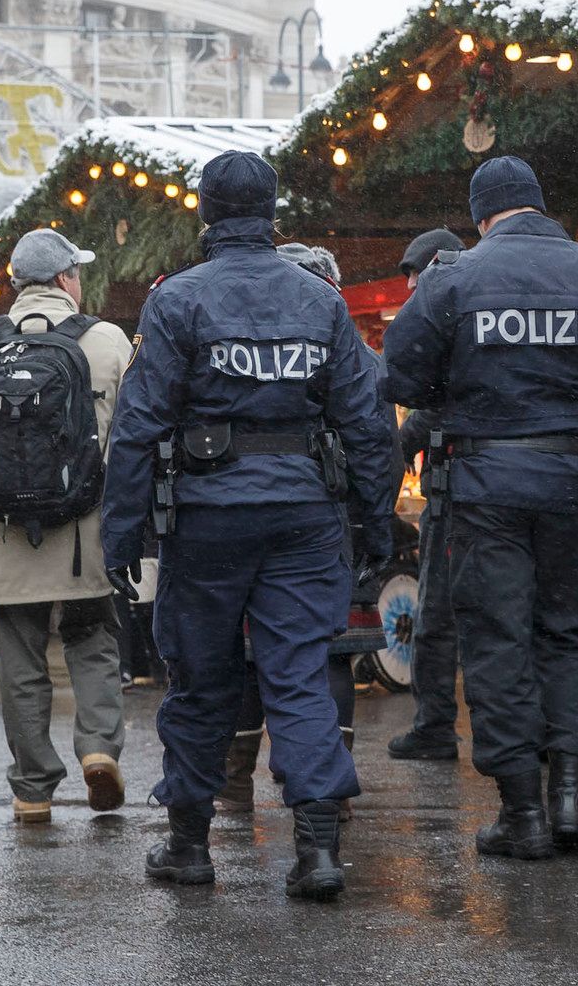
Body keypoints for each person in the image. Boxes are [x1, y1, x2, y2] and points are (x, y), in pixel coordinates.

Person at [103, 150, 396, 901]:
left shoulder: (177, 300)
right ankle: (319, 849)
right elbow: (367, 422)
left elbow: (138, 425)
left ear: (206, 213)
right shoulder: (321, 301)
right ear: (271, 214)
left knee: (201, 679)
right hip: (303, 517)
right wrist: (377, 519)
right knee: (299, 673)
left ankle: (189, 845)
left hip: (207, 520)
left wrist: (121, 533)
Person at [384, 156, 578, 861]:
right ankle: (569, 799)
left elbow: (402, 375)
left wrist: (462, 384)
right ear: (539, 205)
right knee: (566, 636)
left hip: (485, 490)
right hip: (572, 485)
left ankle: (522, 812)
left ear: (482, 216)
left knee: (497, 642)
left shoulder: (454, 279)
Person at [0, 228, 132, 826]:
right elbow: (134, 432)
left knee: (19, 662)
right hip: (85, 531)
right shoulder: (107, 340)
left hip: (4, 535)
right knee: (92, 642)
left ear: (17, 282)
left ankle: (33, 790)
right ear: (68, 279)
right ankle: (98, 748)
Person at [217, 244, 404, 818]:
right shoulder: (362, 360)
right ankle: (328, 787)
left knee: (252, 655)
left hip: (263, 521)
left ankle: (234, 784)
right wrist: (376, 523)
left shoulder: (251, 349)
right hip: (339, 529)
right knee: (330, 657)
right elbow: (382, 452)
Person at [386, 228, 470, 763]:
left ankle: (436, 725)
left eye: (415, 279)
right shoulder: (474, 310)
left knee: (438, 612)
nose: (411, 291)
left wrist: (402, 440)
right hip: (486, 484)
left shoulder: (447, 319)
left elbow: (441, 404)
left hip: (458, 487)